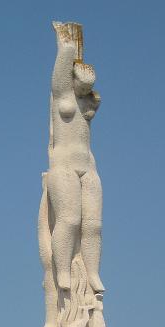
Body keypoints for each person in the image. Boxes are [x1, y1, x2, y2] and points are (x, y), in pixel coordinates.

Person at [48, 21, 103, 294]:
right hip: (64, 165)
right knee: (69, 220)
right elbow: (63, 63)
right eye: (80, 85)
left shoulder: (89, 100)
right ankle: (64, 272)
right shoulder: (62, 93)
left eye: (87, 88)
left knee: (93, 226)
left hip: (88, 166)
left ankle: (92, 273)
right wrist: (67, 43)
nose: (83, 91)